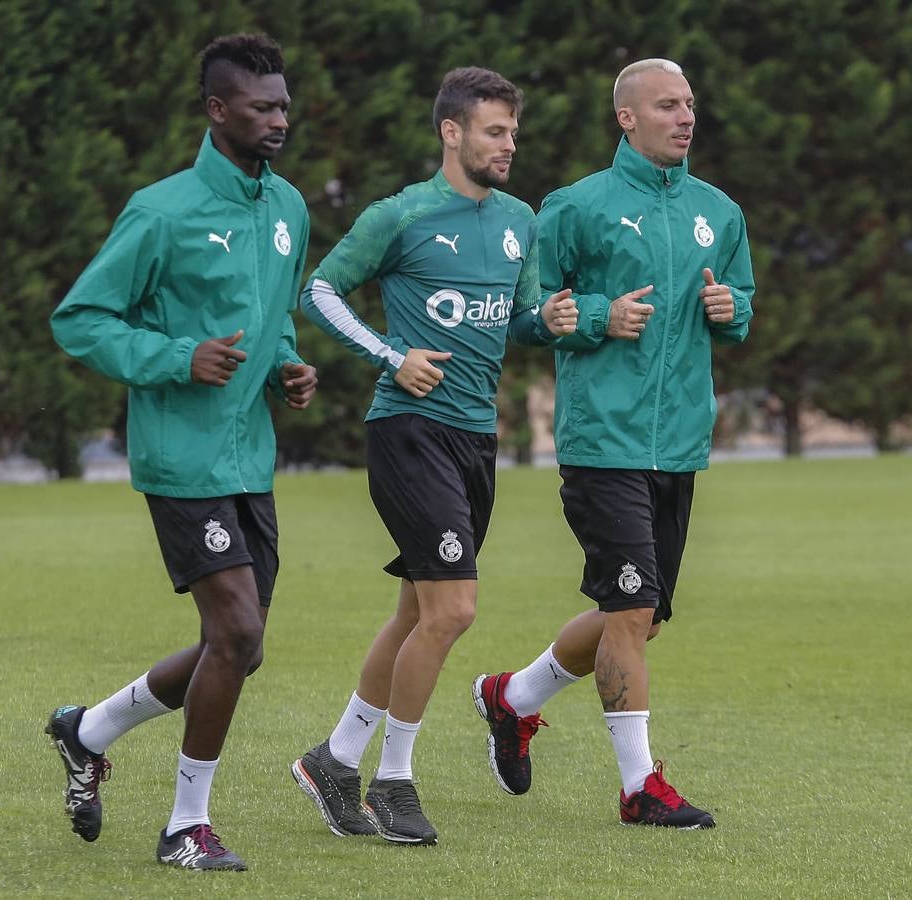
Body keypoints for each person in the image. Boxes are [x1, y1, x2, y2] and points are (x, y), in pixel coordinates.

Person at [44, 33, 317, 871]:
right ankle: (183, 828)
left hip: (250, 459)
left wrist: (286, 368)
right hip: (182, 458)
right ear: (216, 109)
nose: (279, 118)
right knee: (234, 631)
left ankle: (87, 731)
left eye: (282, 103)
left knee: (240, 646)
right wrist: (177, 358)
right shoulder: (161, 211)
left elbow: (270, 317)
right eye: (261, 106)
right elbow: (80, 319)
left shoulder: (290, 209)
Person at [288, 67, 577, 846]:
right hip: (409, 432)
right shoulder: (401, 214)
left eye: (513, 132)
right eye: (494, 131)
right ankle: (393, 782)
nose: (509, 144)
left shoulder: (521, 219)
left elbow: (516, 320)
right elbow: (321, 290)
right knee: (454, 610)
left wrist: (546, 319)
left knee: (418, 610)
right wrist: (391, 355)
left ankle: (335, 758)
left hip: (475, 440)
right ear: (452, 132)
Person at [471, 58, 754, 829]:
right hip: (602, 442)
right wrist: (593, 315)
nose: (685, 116)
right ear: (627, 118)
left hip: (680, 445)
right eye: (667, 105)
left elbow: (742, 307)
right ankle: (639, 789)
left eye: (690, 103)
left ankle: (513, 697)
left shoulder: (719, 212)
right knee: (630, 611)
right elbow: (526, 311)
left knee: (641, 614)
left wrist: (732, 308)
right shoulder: (576, 207)